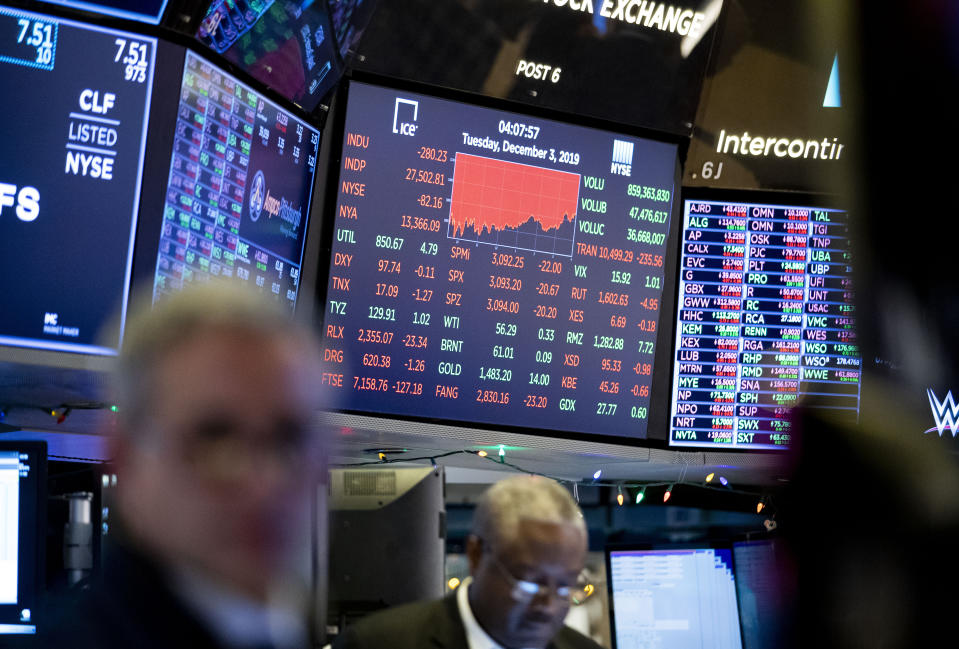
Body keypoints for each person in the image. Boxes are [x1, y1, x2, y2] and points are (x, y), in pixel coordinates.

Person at [38, 282, 327, 649]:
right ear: (124, 456)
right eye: (216, 441)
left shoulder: (272, 629)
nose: (265, 483)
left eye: (290, 440)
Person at [333, 474, 603, 649]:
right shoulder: (378, 643)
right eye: (529, 582)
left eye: (566, 586)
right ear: (475, 554)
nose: (548, 606)